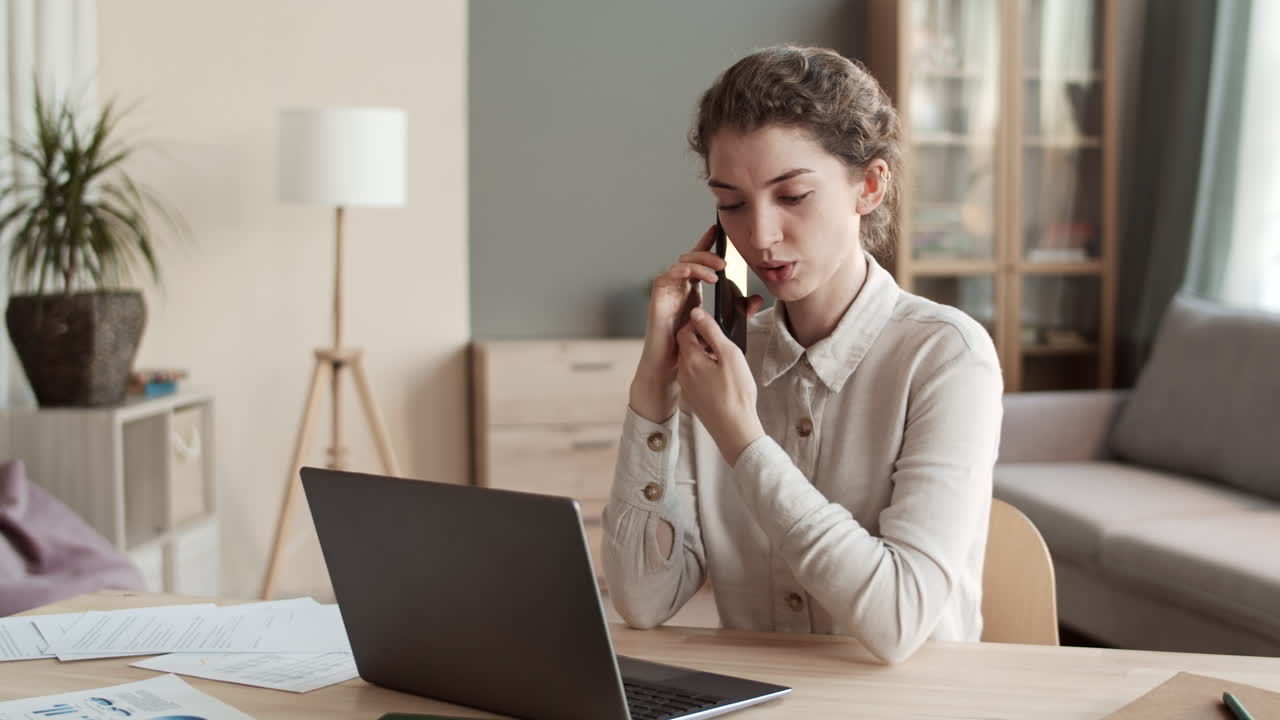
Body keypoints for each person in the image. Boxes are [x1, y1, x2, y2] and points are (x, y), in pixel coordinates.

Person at [601, 45, 1003, 665]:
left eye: (791, 196)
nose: (758, 236)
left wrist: (742, 439)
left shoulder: (947, 357)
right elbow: (644, 600)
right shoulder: (719, 363)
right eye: (731, 204)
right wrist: (655, 391)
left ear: (868, 185)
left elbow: (898, 619)